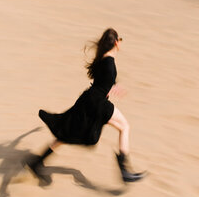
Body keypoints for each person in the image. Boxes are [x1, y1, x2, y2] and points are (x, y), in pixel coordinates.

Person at [24, 28, 146, 184]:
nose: (120, 43)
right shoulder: (109, 63)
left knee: (67, 133)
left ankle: (37, 162)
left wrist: (113, 86)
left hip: (88, 100)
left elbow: (103, 80)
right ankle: (124, 171)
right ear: (116, 42)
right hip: (98, 103)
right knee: (125, 127)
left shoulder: (102, 59)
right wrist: (111, 87)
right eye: (120, 40)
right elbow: (105, 81)